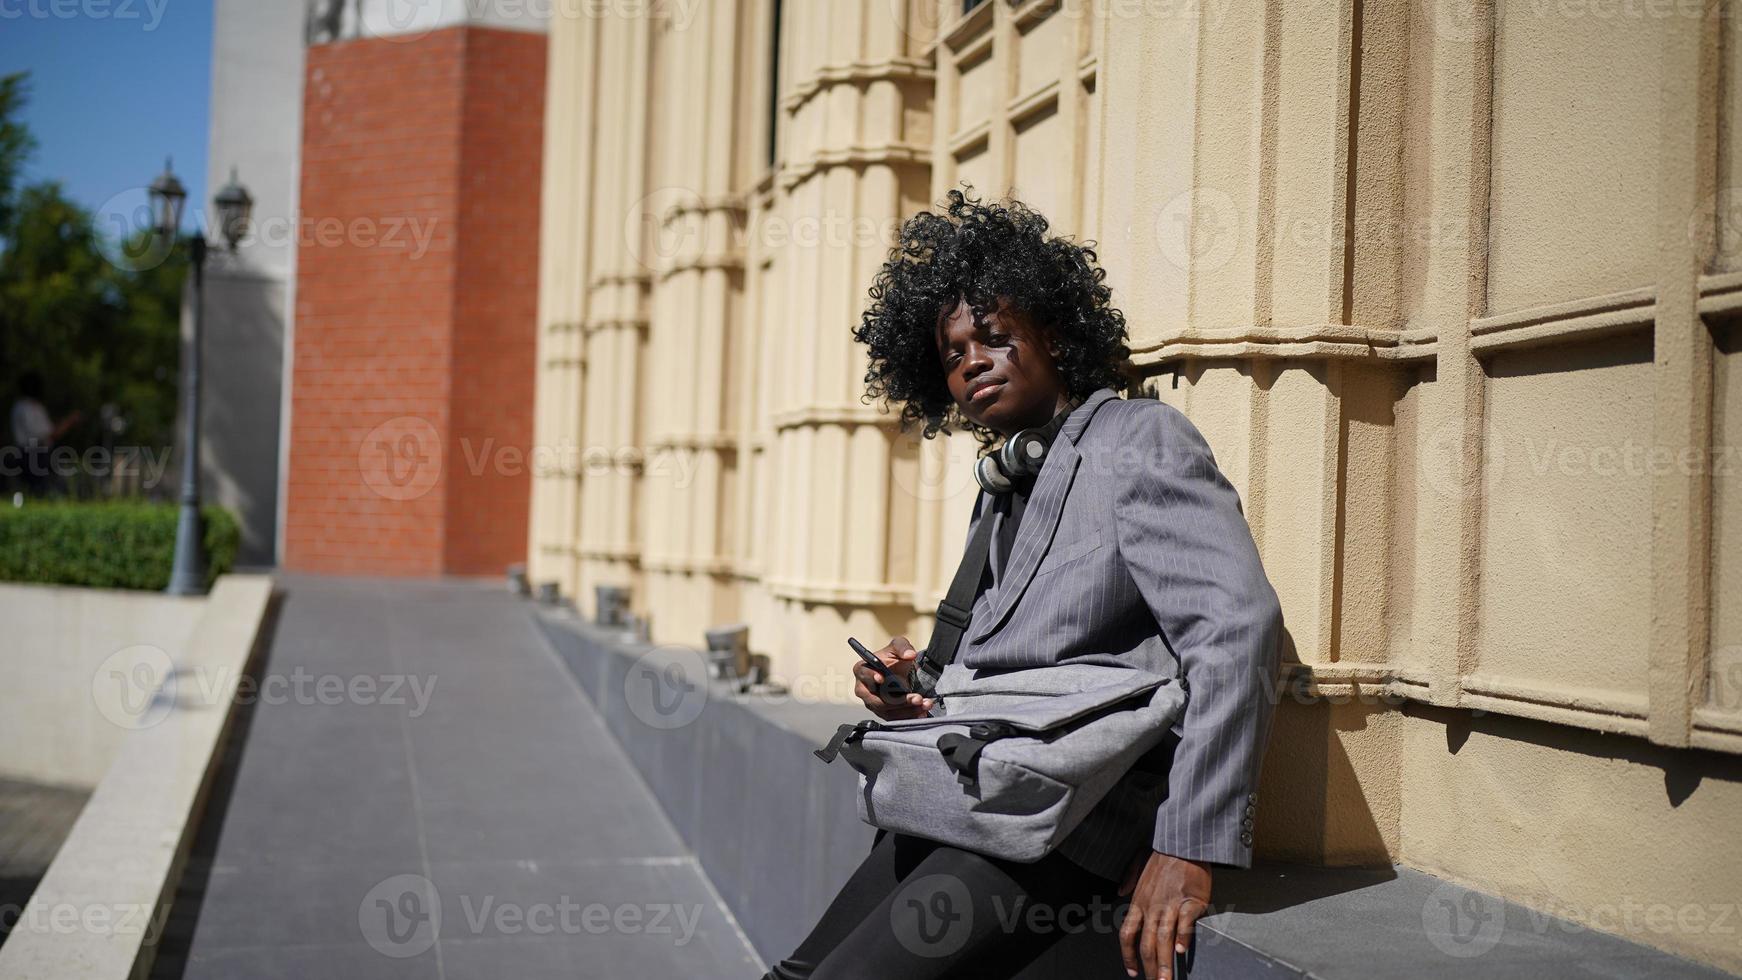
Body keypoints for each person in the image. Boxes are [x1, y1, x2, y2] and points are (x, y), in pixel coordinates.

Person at [758, 190, 1283, 980]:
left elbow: (1236, 631)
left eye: (996, 338)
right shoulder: (1005, 483)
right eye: (952, 352)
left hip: (1067, 825)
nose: (971, 360)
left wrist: (1189, 843)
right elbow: (1009, 662)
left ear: (1058, 335)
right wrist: (916, 684)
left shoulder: (1139, 442)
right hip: (968, 798)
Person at [9, 371, 81, 497]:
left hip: (40, 453)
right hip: (31, 454)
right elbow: (47, 435)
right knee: (38, 490)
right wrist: (69, 422)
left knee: (44, 488)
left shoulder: (33, 407)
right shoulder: (24, 408)